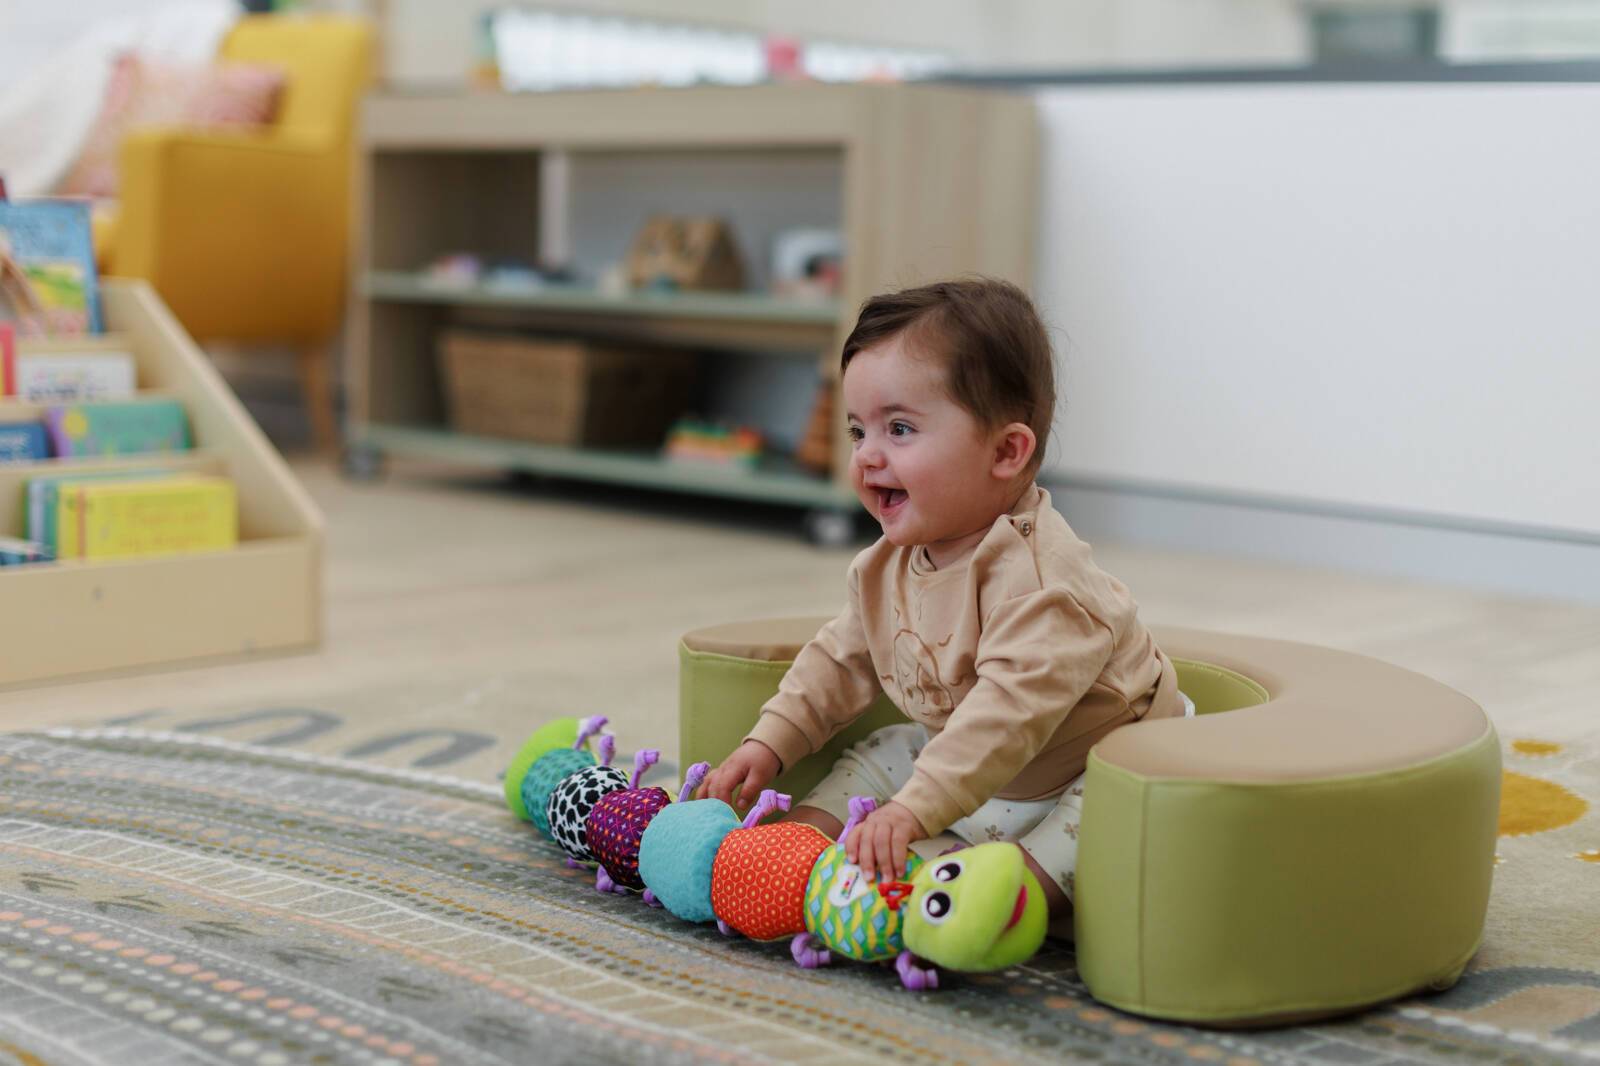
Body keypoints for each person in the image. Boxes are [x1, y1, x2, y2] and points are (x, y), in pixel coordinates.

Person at [699, 277, 1189, 923]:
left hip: (1086, 768)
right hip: (971, 763)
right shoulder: (888, 564)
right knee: (881, 753)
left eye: (899, 429)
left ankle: (970, 901)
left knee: (1095, 822)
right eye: (857, 431)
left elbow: (1006, 718)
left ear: (1006, 452)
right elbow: (840, 660)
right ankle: (798, 854)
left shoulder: (1046, 584)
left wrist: (915, 809)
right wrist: (769, 745)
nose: (869, 456)